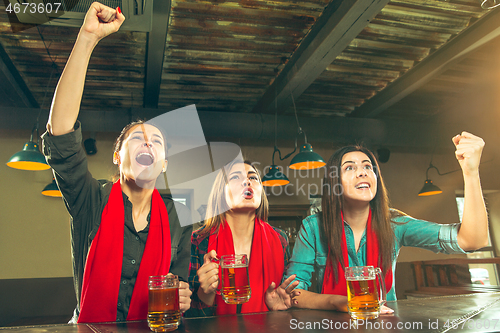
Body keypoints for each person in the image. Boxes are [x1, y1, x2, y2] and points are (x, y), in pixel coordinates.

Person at [41, 2, 192, 323]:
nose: (148, 142)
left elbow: (180, 286)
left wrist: (184, 296)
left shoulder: (179, 217)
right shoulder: (90, 199)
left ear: (163, 164)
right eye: (137, 138)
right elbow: (61, 135)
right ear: (117, 156)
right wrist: (87, 38)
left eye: (157, 141)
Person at [285, 132, 488, 312]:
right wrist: (339, 303)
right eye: (349, 168)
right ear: (334, 182)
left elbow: (471, 240)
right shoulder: (313, 227)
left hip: (385, 324)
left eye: (368, 166)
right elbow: (293, 293)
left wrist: (471, 173)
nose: (362, 171)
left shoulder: (395, 223)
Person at [186, 160, 299, 317]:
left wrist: (279, 307)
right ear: (220, 193)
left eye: (253, 178)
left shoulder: (280, 240)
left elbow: (286, 303)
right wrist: (206, 293)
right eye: (235, 178)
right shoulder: (199, 240)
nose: (247, 181)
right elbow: (189, 316)